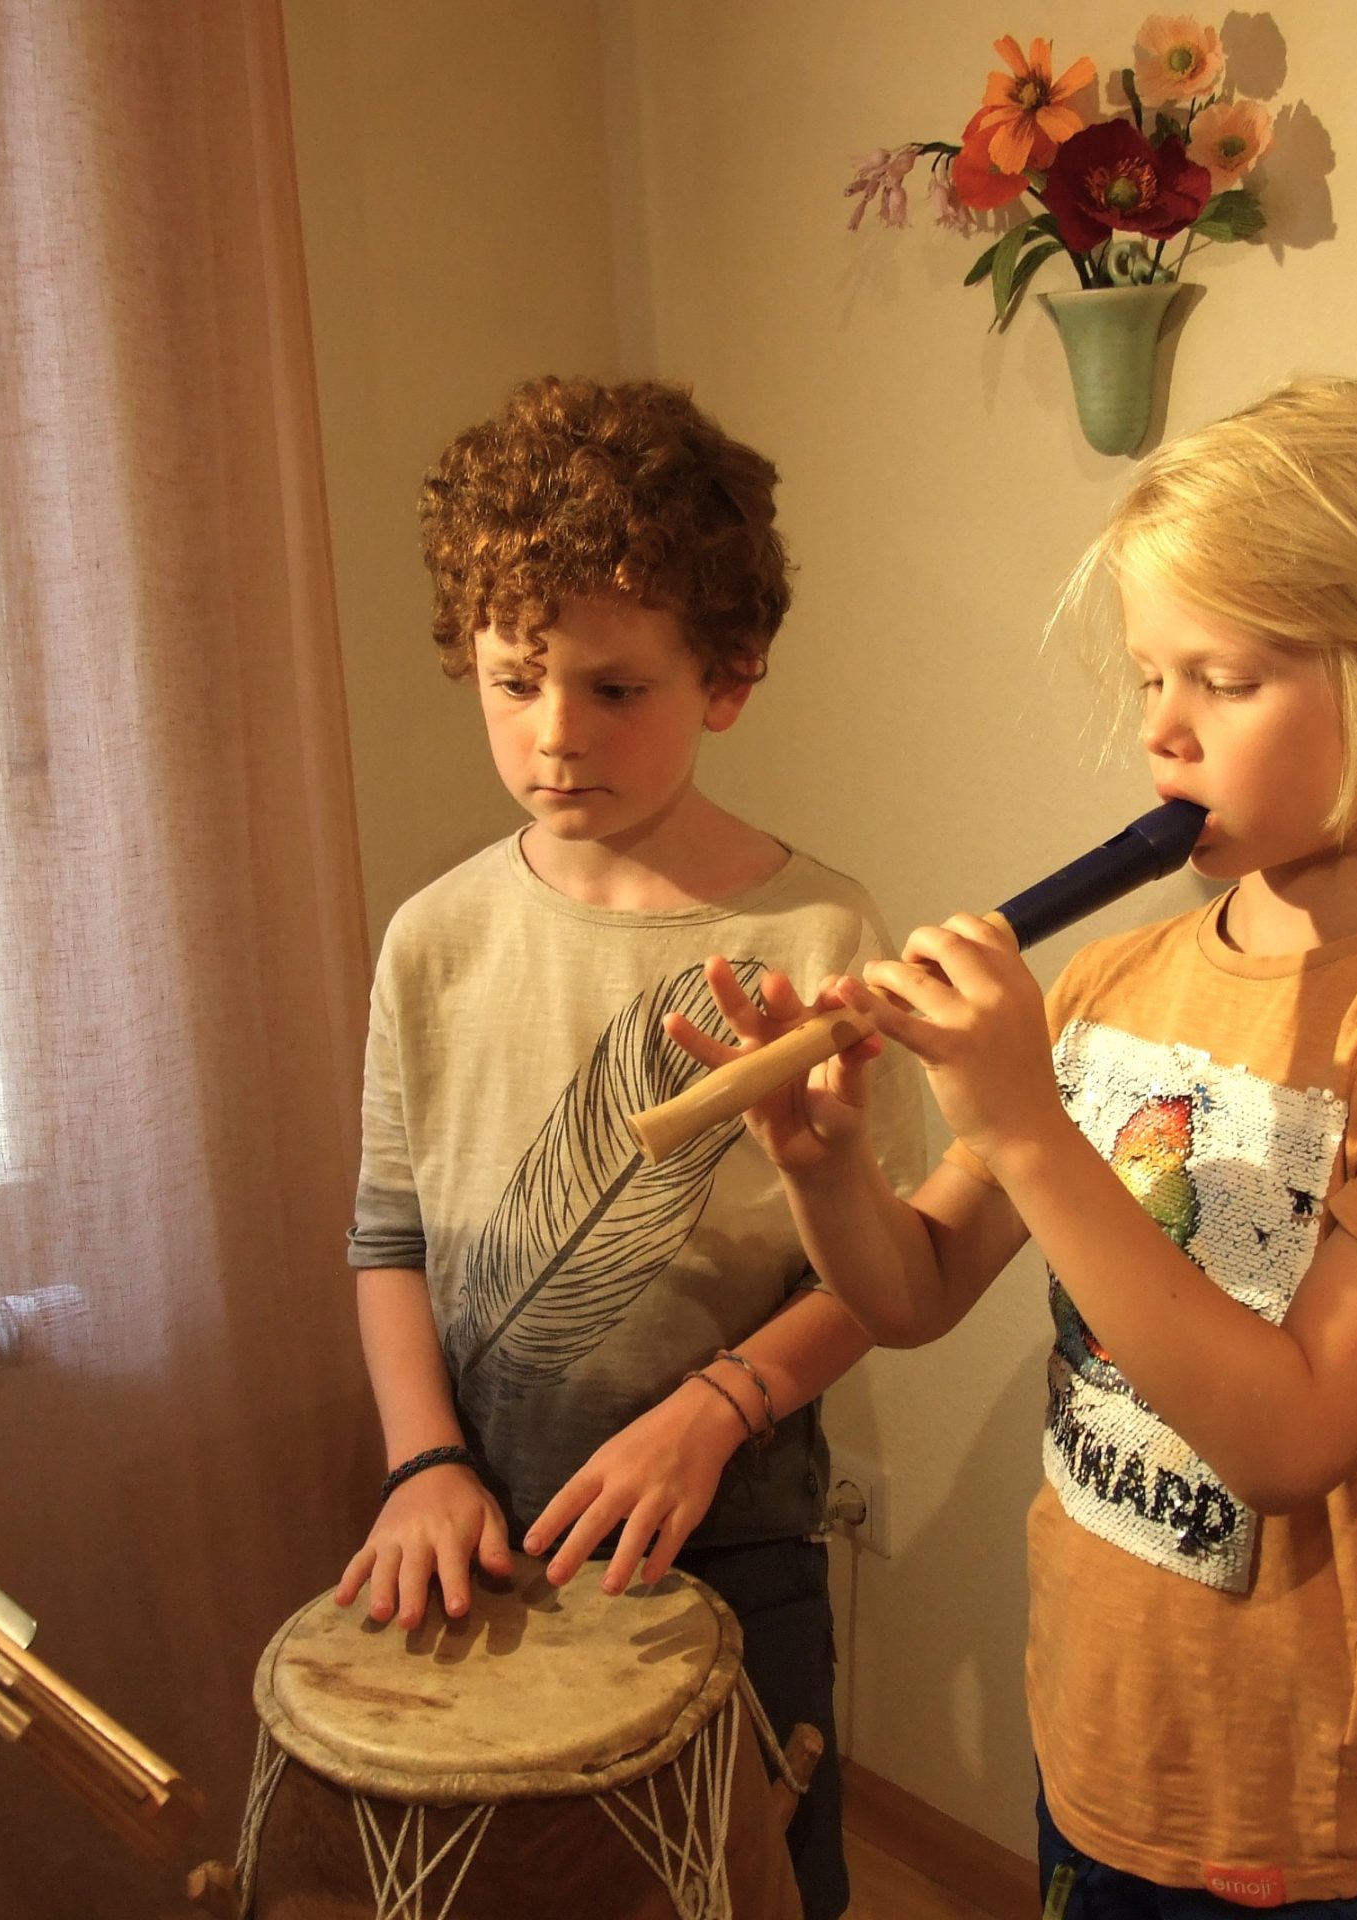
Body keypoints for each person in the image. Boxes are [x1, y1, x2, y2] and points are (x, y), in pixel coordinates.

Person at [675, 378, 1357, 1918]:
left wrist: (1029, 1124)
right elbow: (912, 1291)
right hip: (1106, 1738)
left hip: (1312, 1813)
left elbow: (1290, 1440)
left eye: (1223, 679)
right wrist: (827, 1168)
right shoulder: (1115, 983)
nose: (1160, 728)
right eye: (1151, 673)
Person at [333, 374, 924, 1920]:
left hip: (734, 1537)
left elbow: (884, 1267)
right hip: (480, 1532)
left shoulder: (817, 933)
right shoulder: (435, 939)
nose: (554, 738)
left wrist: (721, 1410)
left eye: (614, 689)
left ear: (727, 677)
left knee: (752, 1882)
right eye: (514, 680)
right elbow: (387, 1239)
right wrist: (424, 1464)